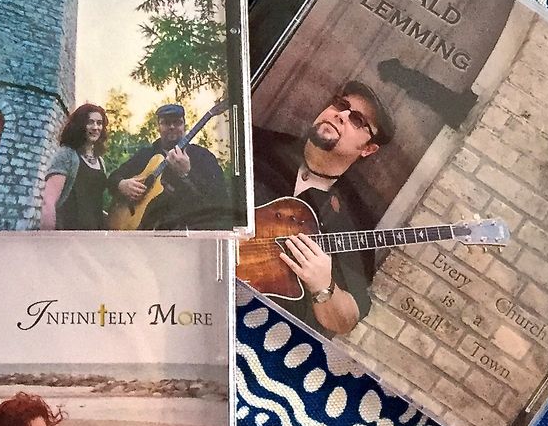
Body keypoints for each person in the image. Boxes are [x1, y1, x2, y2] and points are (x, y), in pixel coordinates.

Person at [248, 81, 396, 337]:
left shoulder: (353, 221)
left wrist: (323, 286)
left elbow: (346, 320)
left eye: (357, 120)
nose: (341, 115)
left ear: (368, 149)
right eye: (340, 104)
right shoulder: (257, 145)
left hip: (257, 330)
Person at [109, 103, 228, 231]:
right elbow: (112, 179)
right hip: (148, 232)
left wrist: (187, 174)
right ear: (158, 127)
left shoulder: (203, 157)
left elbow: (219, 200)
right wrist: (122, 185)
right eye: (166, 123)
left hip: (190, 231)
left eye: (177, 122)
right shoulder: (146, 155)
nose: (171, 127)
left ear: (184, 126)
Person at [41, 104, 111, 230]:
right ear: (79, 125)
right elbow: (48, 203)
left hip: (94, 236)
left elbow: (93, 205)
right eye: (90, 122)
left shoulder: (100, 161)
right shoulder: (66, 155)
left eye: (99, 123)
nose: (96, 127)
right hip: (68, 234)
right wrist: (48, 238)